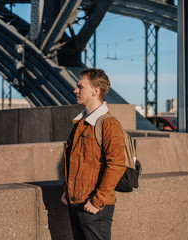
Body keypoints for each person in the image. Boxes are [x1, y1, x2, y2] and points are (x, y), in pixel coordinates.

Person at [61, 68, 126, 240]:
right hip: (76, 202)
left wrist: (98, 200)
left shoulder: (108, 123)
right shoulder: (81, 123)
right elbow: (77, 161)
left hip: (94, 207)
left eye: (80, 86)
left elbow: (117, 164)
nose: (75, 90)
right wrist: (67, 190)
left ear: (95, 91)